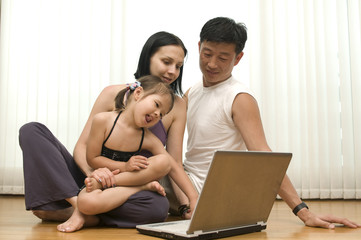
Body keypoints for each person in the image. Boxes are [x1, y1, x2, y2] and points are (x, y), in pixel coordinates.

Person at [166, 17, 361, 229]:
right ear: (198, 47)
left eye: (223, 58)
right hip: (186, 185)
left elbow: (263, 154)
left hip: (210, 191)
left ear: (238, 58)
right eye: (207, 54)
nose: (212, 64)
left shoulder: (238, 97)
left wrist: (303, 211)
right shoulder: (191, 93)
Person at [18, 31, 197, 233]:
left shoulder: (178, 106)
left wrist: (186, 205)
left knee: (158, 209)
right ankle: (81, 207)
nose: (173, 71)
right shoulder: (112, 93)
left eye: (179, 66)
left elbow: (172, 161)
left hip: (127, 187)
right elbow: (82, 147)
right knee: (31, 131)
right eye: (167, 62)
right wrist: (94, 176)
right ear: (148, 57)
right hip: (92, 177)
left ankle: (73, 212)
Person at [76, 75, 197, 226]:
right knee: (85, 202)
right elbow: (92, 159)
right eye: (156, 105)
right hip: (101, 178)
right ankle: (142, 186)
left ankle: (137, 187)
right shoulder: (103, 121)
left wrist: (194, 198)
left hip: (118, 183)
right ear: (138, 93)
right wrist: (124, 167)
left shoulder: (148, 138)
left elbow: (172, 166)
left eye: (161, 115)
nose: (157, 114)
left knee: (164, 161)